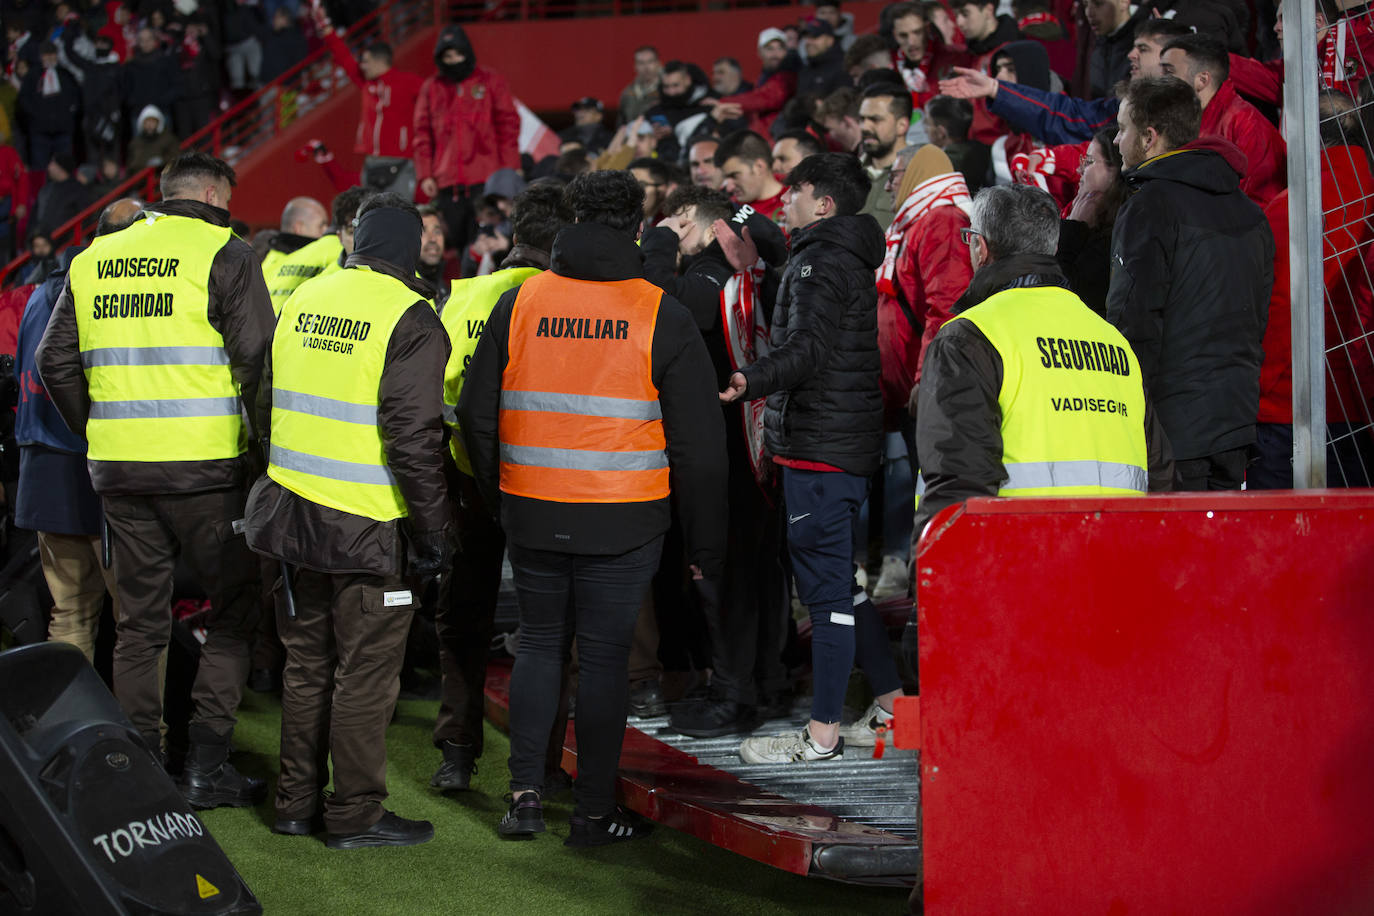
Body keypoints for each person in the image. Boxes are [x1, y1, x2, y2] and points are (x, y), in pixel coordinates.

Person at [457, 170, 726, 844]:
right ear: (638, 227)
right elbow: (700, 446)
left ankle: (522, 797)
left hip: (532, 507)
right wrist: (705, 545)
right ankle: (592, 814)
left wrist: (501, 495)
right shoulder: (659, 309)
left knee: (539, 648)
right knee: (604, 662)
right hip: (625, 517)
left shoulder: (521, 301)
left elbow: (474, 414)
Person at [36, 152, 273, 806]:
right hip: (207, 471)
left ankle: (139, 769)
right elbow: (258, 367)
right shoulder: (226, 251)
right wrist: (263, 460)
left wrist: (101, 430)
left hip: (119, 470)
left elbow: (53, 363)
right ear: (213, 192)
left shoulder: (93, 259)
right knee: (231, 615)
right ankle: (204, 766)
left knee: (138, 623)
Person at [244, 192, 451, 849]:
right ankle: (355, 813)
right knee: (364, 677)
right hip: (368, 532)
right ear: (409, 246)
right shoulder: (410, 316)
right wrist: (436, 536)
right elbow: (415, 440)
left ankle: (294, 805)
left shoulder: (308, 294)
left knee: (306, 669)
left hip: (291, 519)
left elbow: (264, 398)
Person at [720, 154, 903, 764]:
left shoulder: (818, 264)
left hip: (821, 449)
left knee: (825, 595)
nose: (784, 198)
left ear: (823, 204)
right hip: (837, 444)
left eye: (794, 191)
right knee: (841, 589)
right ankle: (895, 707)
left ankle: (821, 735)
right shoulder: (834, 255)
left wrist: (752, 378)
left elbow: (807, 351)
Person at [911, 182, 1171, 542]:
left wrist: (933, 585)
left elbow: (957, 482)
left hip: (1023, 563)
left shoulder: (970, 336)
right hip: (1119, 559)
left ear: (979, 247)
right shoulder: (1112, 339)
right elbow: (1160, 474)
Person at [430, 180, 571, 792]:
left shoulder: (462, 297)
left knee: (463, 618)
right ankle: (540, 771)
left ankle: (457, 755)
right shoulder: (557, 299)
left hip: (464, 480)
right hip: (539, 483)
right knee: (548, 631)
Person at [642, 185, 793, 736]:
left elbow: (668, 310)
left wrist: (658, 245)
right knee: (753, 566)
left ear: (694, 222)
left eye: (674, 222)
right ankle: (763, 680)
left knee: (730, 566)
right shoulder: (744, 262)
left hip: (733, 444)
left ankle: (736, 693)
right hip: (751, 439)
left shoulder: (713, 267)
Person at [1106, 76, 1273, 491]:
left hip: (1171, 432)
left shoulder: (1150, 205)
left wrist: (1128, 419)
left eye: (1122, 128)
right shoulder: (1250, 211)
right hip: (1236, 420)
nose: (1114, 140)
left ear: (1149, 137)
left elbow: (1133, 321)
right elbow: (1259, 316)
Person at [13, 199, 140, 662]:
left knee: (69, 612)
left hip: (41, 466)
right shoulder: (99, 290)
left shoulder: (39, 291)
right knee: (135, 619)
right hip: (91, 463)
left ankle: (74, 726)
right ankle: (142, 734)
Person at [1253, 91, 1374, 488]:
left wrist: (1262, 391)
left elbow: (1279, 310)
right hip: (1359, 408)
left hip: (1289, 407)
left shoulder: (1287, 209)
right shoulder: (1367, 198)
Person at [877, 144, 973, 434]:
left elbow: (948, 308)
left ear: (916, 174)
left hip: (927, 395)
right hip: (906, 397)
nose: (888, 188)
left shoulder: (942, 220)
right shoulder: (915, 222)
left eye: (894, 176)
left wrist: (927, 377)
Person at [413, 24, 520, 256]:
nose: (454, 61)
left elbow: (508, 126)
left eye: (458, 54)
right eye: (448, 56)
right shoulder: (431, 88)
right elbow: (422, 134)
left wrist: (509, 172)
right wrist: (425, 174)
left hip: (486, 181)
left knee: (486, 247)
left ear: (468, 52)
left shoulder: (491, 80)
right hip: (447, 185)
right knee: (452, 250)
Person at [1159, 33, 1287, 208]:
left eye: (1168, 71)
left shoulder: (1246, 124)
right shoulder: (1176, 119)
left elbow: (1261, 203)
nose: (1160, 80)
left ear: (1202, 80)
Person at [319, 12, 424, 159]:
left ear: (380, 62)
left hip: (402, 158)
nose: (362, 65)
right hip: (372, 159)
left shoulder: (409, 82)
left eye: (366, 61)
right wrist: (326, 28)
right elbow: (344, 57)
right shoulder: (366, 84)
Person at [1056, 127, 1127, 316]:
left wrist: (1073, 230)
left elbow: (1062, 293)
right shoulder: (1087, 218)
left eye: (1089, 162)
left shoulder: (1115, 234)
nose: (1079, 169)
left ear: (1115, 171)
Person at [267, 186, 373, 313]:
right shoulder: (328, 256)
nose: (325, 230)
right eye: (321, 225)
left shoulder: (267, 261)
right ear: (340, 236)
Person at [707, 28, 798, 138]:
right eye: (770, 49)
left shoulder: (789, 76)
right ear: (759, 52)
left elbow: (764, 98)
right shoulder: (762, 79)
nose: (776, 54)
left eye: (780, 48)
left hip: (778, 139)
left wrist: (722, 102)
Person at [858, 82, 913, 229]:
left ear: (901, 125)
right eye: (862, 119)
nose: (864, 127)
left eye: (875, 119)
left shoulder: (919, 175)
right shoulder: (849, 172)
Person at [18, 41, 80, 170]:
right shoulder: (33, 76)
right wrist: (36, 116)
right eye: (46, 54)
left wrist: (69, 114)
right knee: (40, 168)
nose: (50, 58)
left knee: (64, 167)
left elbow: (75, 97)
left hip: (63, 129)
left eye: (52, 54)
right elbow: (24, 99)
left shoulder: (65, 74)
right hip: (40, 131)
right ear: (41, 56)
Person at [716, 130, 787, 223]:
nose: (729, 188)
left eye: (734, 176)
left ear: (759, 167)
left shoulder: (799, 198)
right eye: (725, 178)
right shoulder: (728, 212)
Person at [924, 95, 990, 192]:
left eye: (927, 123)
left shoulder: (940, 167)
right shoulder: (984, 150)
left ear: (941, 132)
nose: (925, 130)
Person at [259, 196, 329, 279]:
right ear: (299, 228)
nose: (327, 231)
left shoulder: (261, 265)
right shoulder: (317, 263)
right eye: (321, 226)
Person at [1082, 0, 1134, 96]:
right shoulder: (1097, 46)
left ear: (1124, 2)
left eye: (1098, 3)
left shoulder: (1141, 47)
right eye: (1085, 4)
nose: (1089, 13)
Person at [797, 20, 850, 99]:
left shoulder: (844, 67)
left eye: (815, 37)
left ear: (830, 40)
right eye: (807, 37)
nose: (809, 42)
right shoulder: (805, 68)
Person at [416, 204, 452, 308]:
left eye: (437, 231)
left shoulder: (444, 287)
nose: (433, 239)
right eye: (423, 231)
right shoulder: (404, 287)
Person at [126, 105, 180, 171]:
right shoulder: (135, 143)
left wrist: (161, 161)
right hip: (140, 177)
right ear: (142, 123)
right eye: (147, 121)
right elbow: (130, 165)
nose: (149, 125)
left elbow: (175, 159)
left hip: (160, 176)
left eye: (153, 121)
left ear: (158, 123)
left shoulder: (169, 139)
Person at [618, 45, 661, 125]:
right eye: (641, 63)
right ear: (635, 66)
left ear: (658, 63)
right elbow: (621, 124)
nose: (646, 67)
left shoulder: (668, 89)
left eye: (650, 61)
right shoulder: (627, 93)